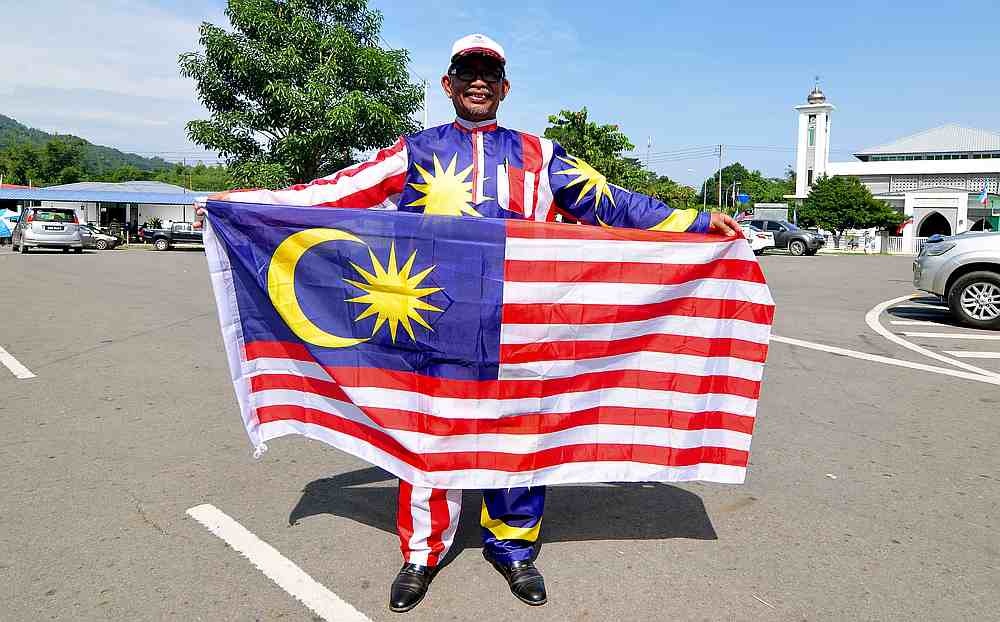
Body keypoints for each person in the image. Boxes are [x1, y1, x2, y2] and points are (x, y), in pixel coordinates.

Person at [197, 33, 738, 613]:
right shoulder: (414, 151)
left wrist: (695, 220)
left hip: (524, 325)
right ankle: (422, 553)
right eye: (466, 71)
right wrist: (240, 202)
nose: (478, 80)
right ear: (448, 84)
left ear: (504, 87)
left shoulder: (540, 154)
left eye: (489, 72)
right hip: (435, 327)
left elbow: (613, 202)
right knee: (429, 430)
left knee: (523, 433)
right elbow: (335, 193)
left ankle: (514, 549)